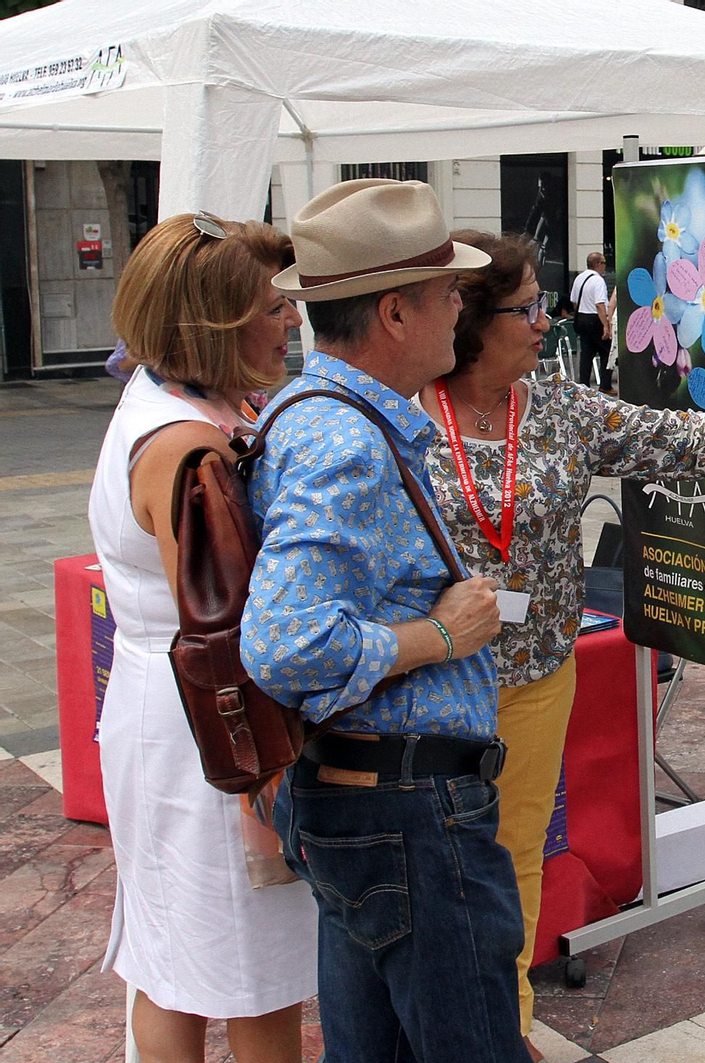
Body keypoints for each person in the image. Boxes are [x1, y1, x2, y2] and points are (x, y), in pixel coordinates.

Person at [417, 230, 705, 1059]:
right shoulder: (401, 411)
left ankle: (508, 1025)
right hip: (426, 687)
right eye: (527, 306)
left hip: (533, 679)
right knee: (434, 875)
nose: (547, 320)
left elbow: (685, 438)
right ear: (470, 321)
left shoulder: (559, 408)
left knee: (517, 859)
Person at [240, 179, 523, 1062]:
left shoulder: (312, 413)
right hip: (410, 814)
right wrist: (440, 637)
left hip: (373, 803)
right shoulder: (347, 442)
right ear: (396, 313)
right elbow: (282, 642)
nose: (458, 309)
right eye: (449, 292)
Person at [87, 211, 316, 1063]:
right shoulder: (191, 452)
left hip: (169, 716)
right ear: (212, 325)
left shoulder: (172, 404)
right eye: (270, 307)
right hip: (216, 728)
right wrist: (266, 767)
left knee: (172, 953)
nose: (289, 319)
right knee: (254, 974)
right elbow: (232, 633)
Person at [568, 251, 613, 393]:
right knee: (607, 351)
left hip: (581, 317)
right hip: (595, 319)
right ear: (598, 264)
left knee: (587, 353)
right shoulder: (598, 280)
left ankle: (584, 385)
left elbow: (574, 301)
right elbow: (600, 304)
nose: (605, 266)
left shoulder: (579, 278)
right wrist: (606, 325)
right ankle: (605, 384)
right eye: (604, 263)